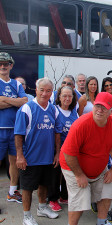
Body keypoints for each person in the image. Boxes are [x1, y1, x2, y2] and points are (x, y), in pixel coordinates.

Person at [59, 92, 112, 225]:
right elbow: (68, 153)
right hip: (73, 167)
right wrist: (79, 175)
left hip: (99, 168)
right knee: (80, 198)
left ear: (111, 110)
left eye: (104, 108)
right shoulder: (81, 124)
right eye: (97, 106)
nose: (100, 110)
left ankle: (101, 222)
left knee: (107, 190)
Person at [15, 77, 62, 225]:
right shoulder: (27, 108)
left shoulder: (53, 109)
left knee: (44, 185)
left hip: (47, 157)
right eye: (42, 90)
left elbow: (57, 132)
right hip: (30, 158)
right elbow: (18, 134)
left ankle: (42, 208)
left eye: (48, 91)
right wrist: (20, 156)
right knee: (27, 188)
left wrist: (57, 153)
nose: (45, 93)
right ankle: (26, 216)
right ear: (36, 90)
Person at [0, 52, 27, 205]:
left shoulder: (16, 84)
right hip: (0, 129)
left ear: (11, 65)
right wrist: (14, 101)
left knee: (14, 161)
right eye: (0, 64)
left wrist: (4, 99)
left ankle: (12, 192)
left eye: (6, 64)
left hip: (15, 130)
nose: (3, 66)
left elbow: (24, 101)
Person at [48, 86, 79, 212]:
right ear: (59, 97)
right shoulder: (54, 110)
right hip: (57, 150)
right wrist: (57, 152)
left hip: (70, 151)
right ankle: (53, 199)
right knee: (55, 175)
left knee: (68, 174)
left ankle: (64, 197)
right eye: (64, 96)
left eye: (70, 96)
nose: (67, 98)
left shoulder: (74, 112)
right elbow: (55, 133)